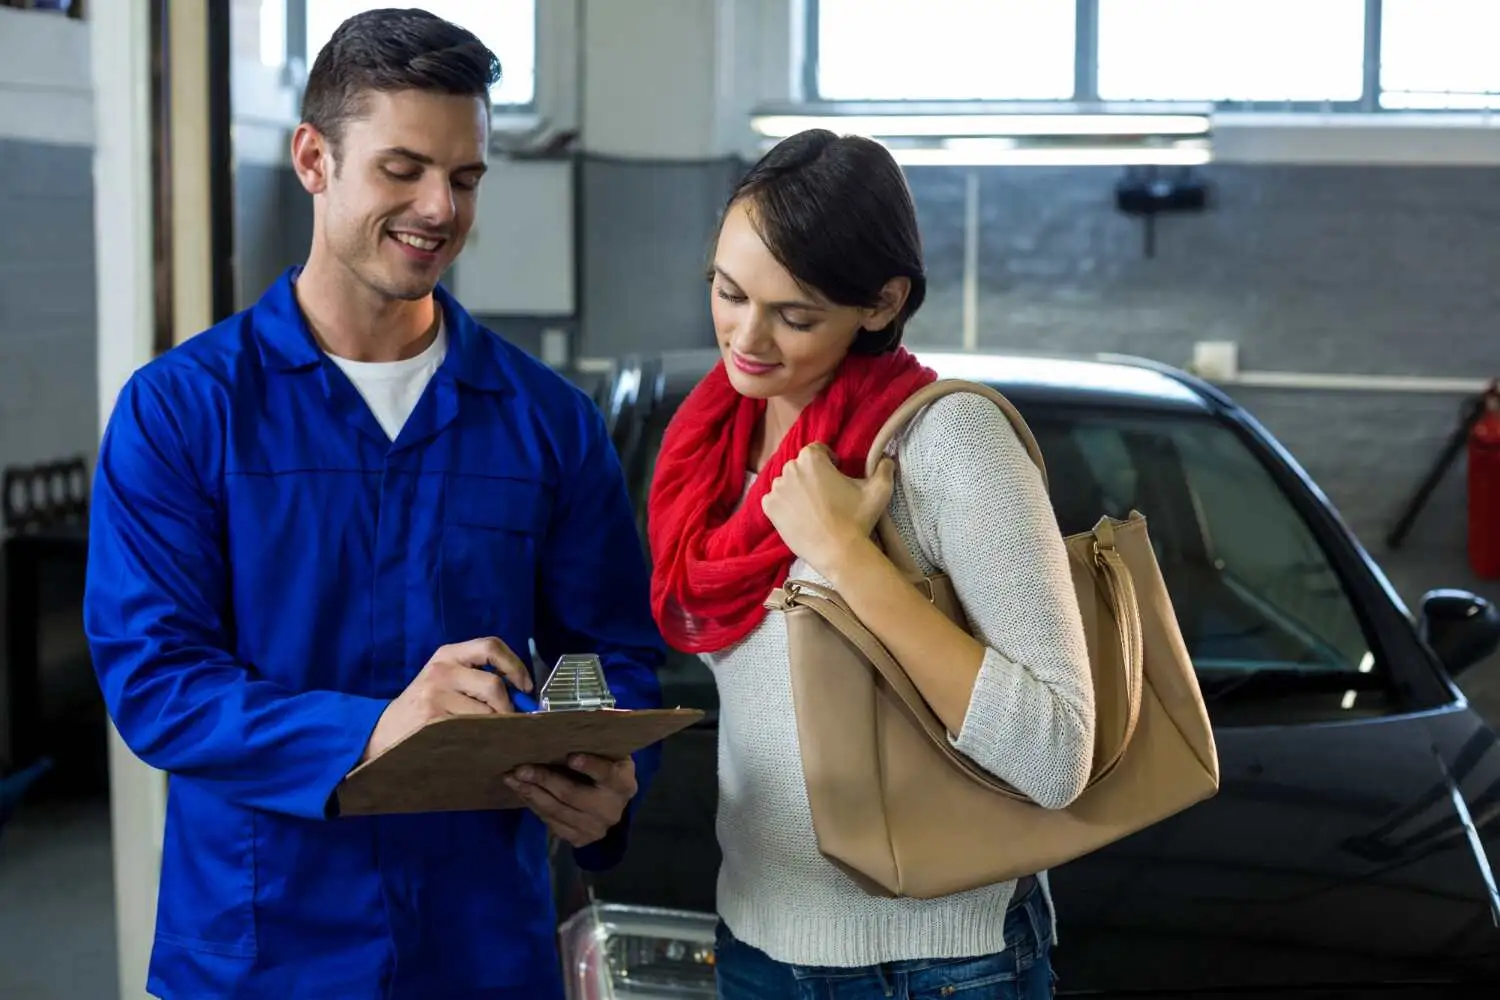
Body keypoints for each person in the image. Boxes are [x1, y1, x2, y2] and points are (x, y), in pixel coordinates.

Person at [83, 10, 664, 999]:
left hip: (481, 948)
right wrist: (374, 730)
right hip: (260, 953)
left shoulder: (547, 424)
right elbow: (158, 682)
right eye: (403, 169)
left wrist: (609, 780)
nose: (440, 207)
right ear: (313, 157)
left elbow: (605, 654)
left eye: (467, 177)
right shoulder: (184, 413)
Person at [646, 129, 1097, 1000]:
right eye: (728, 292)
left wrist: (850, 562)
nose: (748, 337)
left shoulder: (947, 441)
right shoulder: (712, 443)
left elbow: (1055, 752)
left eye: (795, 315)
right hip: (755, 944)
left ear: (883, 303)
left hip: (940, 964)